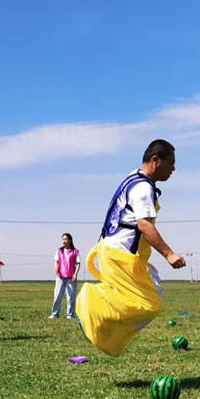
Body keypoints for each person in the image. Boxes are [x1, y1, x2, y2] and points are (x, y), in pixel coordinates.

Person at [76, 139, 186, 357]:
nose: (173, 169)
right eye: (171, 163)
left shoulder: (132, 177)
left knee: (153, 294)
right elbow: (144, 224)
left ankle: (103, 322)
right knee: (150, 304)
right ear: (156, 160)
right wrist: (169, 253)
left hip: (115, 250)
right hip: (122, 254)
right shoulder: (143, 188)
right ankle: (91, 303)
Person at [50, 233, 80, 319]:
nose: (63, 241)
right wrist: (56, 266)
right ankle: (54, 314)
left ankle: (70, 315)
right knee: (57, 296)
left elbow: (78, 264)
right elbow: (56, 260)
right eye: (63, 239)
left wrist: (75, 274)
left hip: (71, 277)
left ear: (70, 240)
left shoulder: (75, 251)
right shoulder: (59, 251)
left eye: (65, 239)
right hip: (60, 276)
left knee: (70, 297)